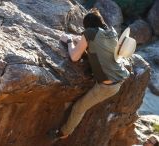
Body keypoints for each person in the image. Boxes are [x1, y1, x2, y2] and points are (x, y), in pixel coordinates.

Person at [48, 8, 130, 141]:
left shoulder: (89, 33)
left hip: (107, 87)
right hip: (118, 79)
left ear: (87, 25)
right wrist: (78, 40)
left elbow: (74, 57)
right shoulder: (112, 32)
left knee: (79, 108)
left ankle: (63, 133)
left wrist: (69, 41)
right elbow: (99, 46)